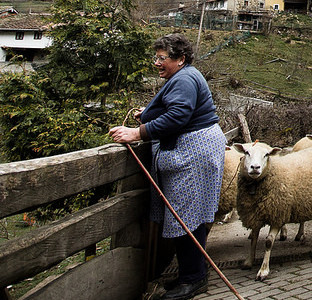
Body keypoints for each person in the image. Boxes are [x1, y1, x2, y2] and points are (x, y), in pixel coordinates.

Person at [108, 33, 224, 300]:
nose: (157, 63)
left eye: (163, 58)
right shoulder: (185, 76)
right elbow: (175, 108)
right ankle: (191, 274)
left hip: (193, 154)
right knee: (188, 215)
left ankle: (193, 280)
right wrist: (147, 114)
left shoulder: (183, 79)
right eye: (156, 57)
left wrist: (137, 133)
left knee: (186, 217)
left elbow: (178, 115)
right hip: (197, 149)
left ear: (180, 59)